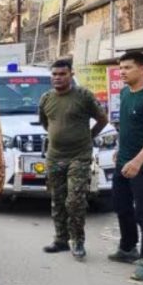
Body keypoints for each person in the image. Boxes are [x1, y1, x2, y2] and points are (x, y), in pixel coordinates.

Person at [39, 59, 108, 259]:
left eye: (62, 74)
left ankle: (77, 240)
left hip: (79, 156)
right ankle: (61, 239)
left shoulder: (83, 96)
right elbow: (46, 123)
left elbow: (102, 119)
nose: (58, 78)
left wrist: (89, 136)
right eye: (54, 74)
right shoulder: (46, 98)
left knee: (75, 200)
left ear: (71, 74)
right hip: (55, 157)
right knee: (58, 200)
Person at [108, 51, 143, 281]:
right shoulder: (125, 93)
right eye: (121, 68)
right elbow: (127, 127)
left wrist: (138, 161)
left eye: (128, 67)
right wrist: (120, 150)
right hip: (124, 161)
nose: (122, 72)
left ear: (142, 69)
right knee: (121, 206)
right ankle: (128, 248)